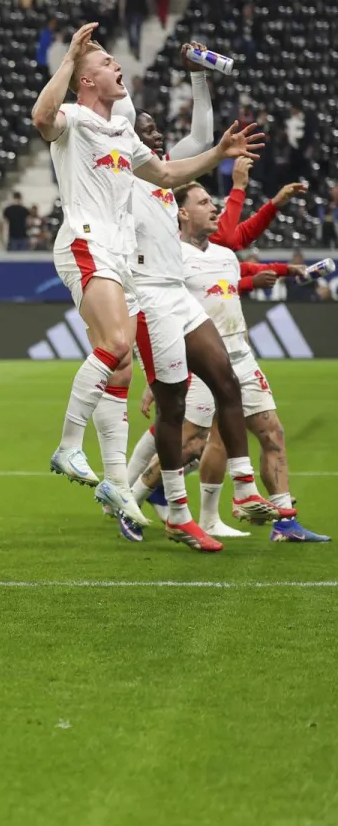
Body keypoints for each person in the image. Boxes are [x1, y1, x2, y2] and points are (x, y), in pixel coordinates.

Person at [33, 23, 247, 497]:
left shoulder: (122, 134)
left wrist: (218, 153)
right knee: (113, 343)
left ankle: (106, 475)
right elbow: (42, 117)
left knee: (120, 354)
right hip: (86, 241)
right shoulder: (73, 117)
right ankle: (69, 443)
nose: (117, 66)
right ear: (87, 81)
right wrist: (69, 58)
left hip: (119, 253)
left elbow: (168, 173)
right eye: (107, 63)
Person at [108, 47, 264, 551]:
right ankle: (175, 508)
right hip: (149, 295)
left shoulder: (160, 171)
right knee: (172, 408)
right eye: (148, 131)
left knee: (226, 379)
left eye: (157, 131)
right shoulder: (120, 175)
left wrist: (197, 79)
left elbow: (200, 139)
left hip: (177, 293)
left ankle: (243, 487)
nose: (156, 137)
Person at [170, 174, 327, 542]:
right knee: (192, 443)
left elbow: (242, 272)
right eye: (204, 202)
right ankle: (139, 490)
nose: (215, 207)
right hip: (203, 359)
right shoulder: (172, 257)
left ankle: (285, 521)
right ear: (181, 213)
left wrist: (286, 271)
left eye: (214, 202)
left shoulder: (224, 256)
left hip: (241, 354)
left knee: (271, 431)